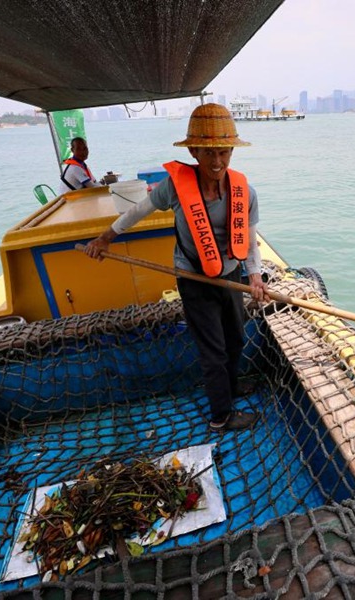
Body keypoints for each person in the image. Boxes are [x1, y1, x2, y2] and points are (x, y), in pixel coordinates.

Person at [84, 103, 268, 432]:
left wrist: (254, 276)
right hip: (193, 278)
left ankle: (232, 384)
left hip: (231, 276)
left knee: (236, 339)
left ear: (231, 152)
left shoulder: (245, 192)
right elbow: (136, 211)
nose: (216, 162)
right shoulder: (175, 187)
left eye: (223, 152)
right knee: (213, 349)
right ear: (194, 152)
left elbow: (250, 242)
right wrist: (105, 238)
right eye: (208, 153)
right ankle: (220, 416)